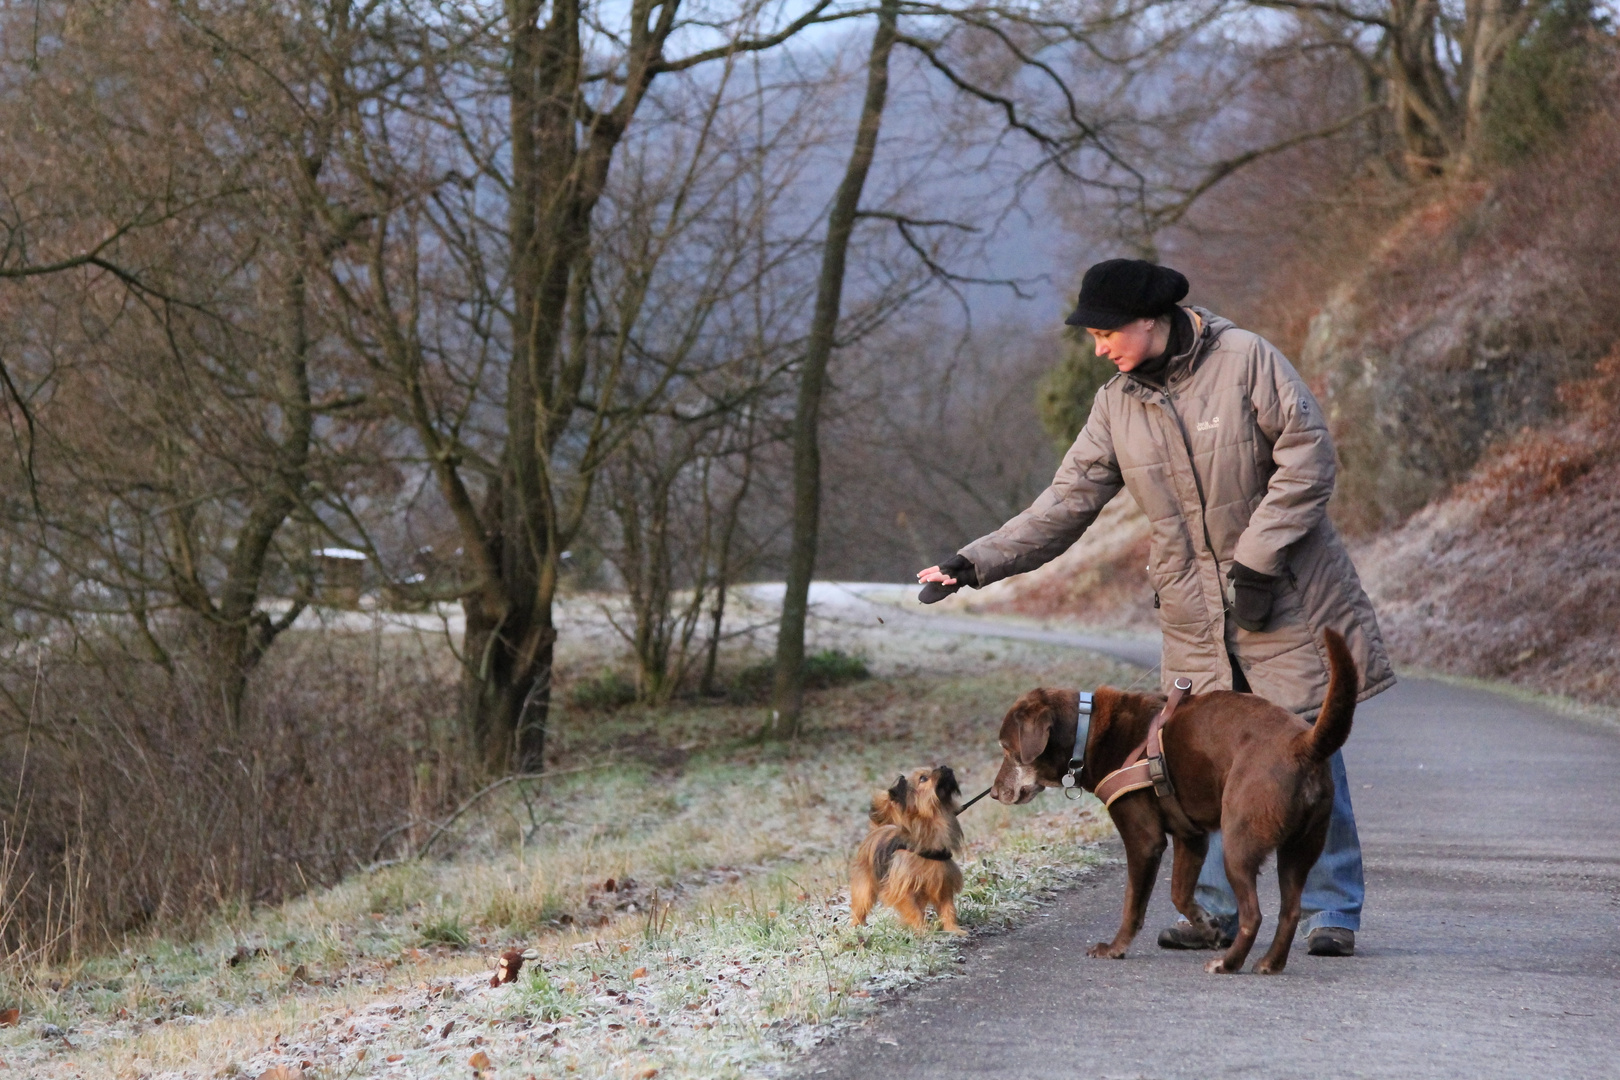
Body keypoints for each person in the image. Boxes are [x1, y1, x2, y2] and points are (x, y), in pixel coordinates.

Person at [917, 258, 1394, 957]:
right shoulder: (1117, 404)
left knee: (1305, 747)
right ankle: (1214, 913)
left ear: (1151, 320)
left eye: (1107, 331)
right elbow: (1066, 501)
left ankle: (1330, 911)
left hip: (1282, 594)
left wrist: (1258, 558)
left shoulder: (1245, 360)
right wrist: (973, 562)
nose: (1099, 345)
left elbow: (1309, 457)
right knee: (1191, 753)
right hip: (1193, 608)